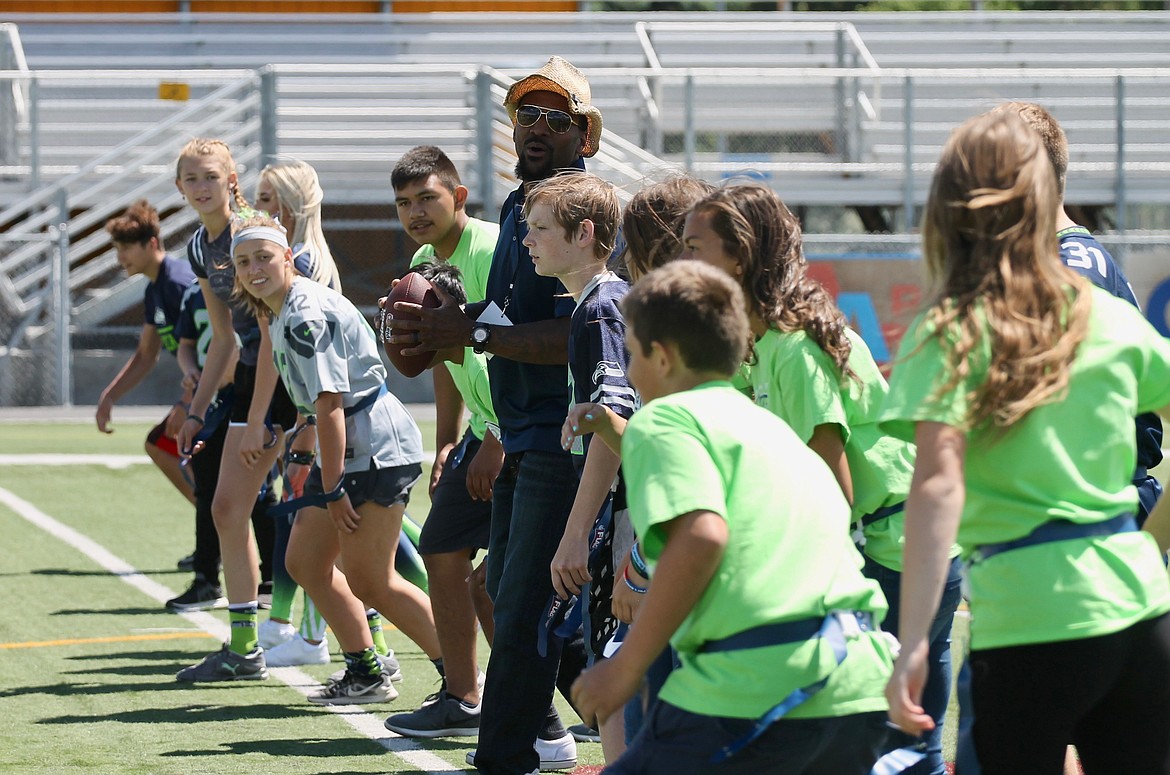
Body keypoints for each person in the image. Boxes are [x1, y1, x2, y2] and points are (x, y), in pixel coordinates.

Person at [880, 111, 1170, 775]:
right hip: (1141, 611)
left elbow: (936, 484)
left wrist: (914, 639)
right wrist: (1148, 543)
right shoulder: (1105, 316)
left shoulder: (950, 327)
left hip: (1031, 619)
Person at [570, 260, 894, 775]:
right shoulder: (772, 431)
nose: (629, 374)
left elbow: (700, 537)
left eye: (632, 356)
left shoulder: (664, 419)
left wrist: (625, 667)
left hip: (760, 684)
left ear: (664, 356)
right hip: (859, 682)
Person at [680, 183, 960, 775]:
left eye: (696, 247)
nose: (685, 262)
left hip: (897, 551)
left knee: (897, 744)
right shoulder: (756, 344)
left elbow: (835, 485)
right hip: (877, 549)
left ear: (740, 255)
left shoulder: (793, 347)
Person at [389, 56, 604, 774]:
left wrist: (469, 332)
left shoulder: (580, 210)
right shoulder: (520, 207)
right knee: (521, 602)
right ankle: (593, 724)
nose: (536, 127)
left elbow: (572, 331)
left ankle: (511, 752)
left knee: (524, 609)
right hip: (522, 432)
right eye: (525, 114)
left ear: (585, 135)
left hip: (563, 438)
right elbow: (510, 314)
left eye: (555, 118)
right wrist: (442, 323)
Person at [230, 213, 438, 704]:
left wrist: (333, 482)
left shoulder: (301, 313)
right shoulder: (280, 308)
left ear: (287, 257)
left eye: (263, 257)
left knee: (373, 578)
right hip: (352, 443)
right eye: (243, 262)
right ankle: (365, 671)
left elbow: (330, 402)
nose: (254, 269)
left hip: (373, 447)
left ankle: (465, 680)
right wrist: (306, 455)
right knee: (305, 560)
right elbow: (315, 406)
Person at [382, 145, 502, 739]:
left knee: (506, 580)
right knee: (441, 549)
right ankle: (465, 696)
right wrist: (448, 440)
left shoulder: (497, 247)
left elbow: (517, 355)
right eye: (404, 203)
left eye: (427, 198)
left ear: (458, 197)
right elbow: (443, 352)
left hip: (521, 432)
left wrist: (499, 440)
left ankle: (562, 701)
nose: (415, 212)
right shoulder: (425, 257)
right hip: (480, 431)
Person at [523, 172, 633, 761]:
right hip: (629, 519)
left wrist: (574, 535)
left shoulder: (599, 313)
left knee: (617, 669)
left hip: (627, 524)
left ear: (586, 233)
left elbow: (612, 431)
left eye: (541, 229)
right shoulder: (597, 305)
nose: (529, 241)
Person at [173, 138, 286, 682]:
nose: (201, 188)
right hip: (254, 374)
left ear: (231, 180)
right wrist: (196, 411)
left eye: (210, 177)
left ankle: (367, 645)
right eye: (191, 179)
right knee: (228, 507)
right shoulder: (199, 246)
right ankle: (248, 645)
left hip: (297, 372)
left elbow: (272, 332)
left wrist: (261, 416)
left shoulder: (252, 230)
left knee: (335, 511)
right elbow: (225, 339)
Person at [250, 158, 342, 668]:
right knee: (317, 522)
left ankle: (309, 634)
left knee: (322, 526)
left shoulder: (297, 262)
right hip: (313, 407)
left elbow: (288, 353)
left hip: (318, 408)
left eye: (265, 199)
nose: (258, 208)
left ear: (285, 204)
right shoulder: (305, 256)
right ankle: (289, 624)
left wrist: (293, 420)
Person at [96, 200, 198, 567]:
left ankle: (220, 542)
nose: (120, 257)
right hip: (202, 393)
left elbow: (212, 343)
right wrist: (110, 396)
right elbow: (146, 354)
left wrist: (189, 403)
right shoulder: (155, 288)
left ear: (152, 244)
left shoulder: (178, 283)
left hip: (222, 393)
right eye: (117, 249)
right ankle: (215, 536)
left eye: (126, 248)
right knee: (163, 446)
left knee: (172, 449)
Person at [166, 281, 233, 612]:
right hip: (210, 399)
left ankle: (270, 582)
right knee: (208, 490)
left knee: (263, 495)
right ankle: (207, 578)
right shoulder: (196, 292)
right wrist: (192, 372)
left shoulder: (250, 282)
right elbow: (186, 344)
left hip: (243, 394)